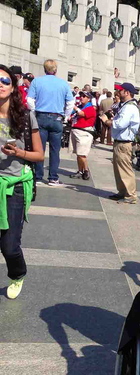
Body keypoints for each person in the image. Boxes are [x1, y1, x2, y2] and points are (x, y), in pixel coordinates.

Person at [0, 64, 44, 299]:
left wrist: (18, 153)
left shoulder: (26, 117)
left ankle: (17, 274)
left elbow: (39, 155)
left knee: (9, 245)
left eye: (5, 81)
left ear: (13, 86)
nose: (0, 84)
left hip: (14, 185)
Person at [26, 59, 74, 186]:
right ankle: (53, 177)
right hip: (57, 117)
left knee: (39, 148)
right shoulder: (63, 84)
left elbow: (29, 99)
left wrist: (34, 111)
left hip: (41, 116)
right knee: (55, 149)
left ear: (44, 69)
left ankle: (38, 176)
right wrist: (66, 116)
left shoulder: (37, 81)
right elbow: (70, 103)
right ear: (55, 70)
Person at [99, 82, 140, 204]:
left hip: (124, 143)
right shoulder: (125, 106)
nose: (118, 92)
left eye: (120, 90)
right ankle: (122, 192)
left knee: (125, 169)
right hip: (120, 142)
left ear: (127, 92)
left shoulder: (129, 107)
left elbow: (120, 124)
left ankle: (130, 195)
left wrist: (107, 121)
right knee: (118, 169)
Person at [68, 91, 96, 180]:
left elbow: (81, 114)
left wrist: (74, 107)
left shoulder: (90, 108)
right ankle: (80, 171)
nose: (82, 97)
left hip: (84, 133)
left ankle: (86, 170)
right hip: (76, 130)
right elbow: (72, 115)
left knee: (82, 154)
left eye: (84, 96)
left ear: (89, 98)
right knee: (78, 154)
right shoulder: (80, 107)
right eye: (81, 96)